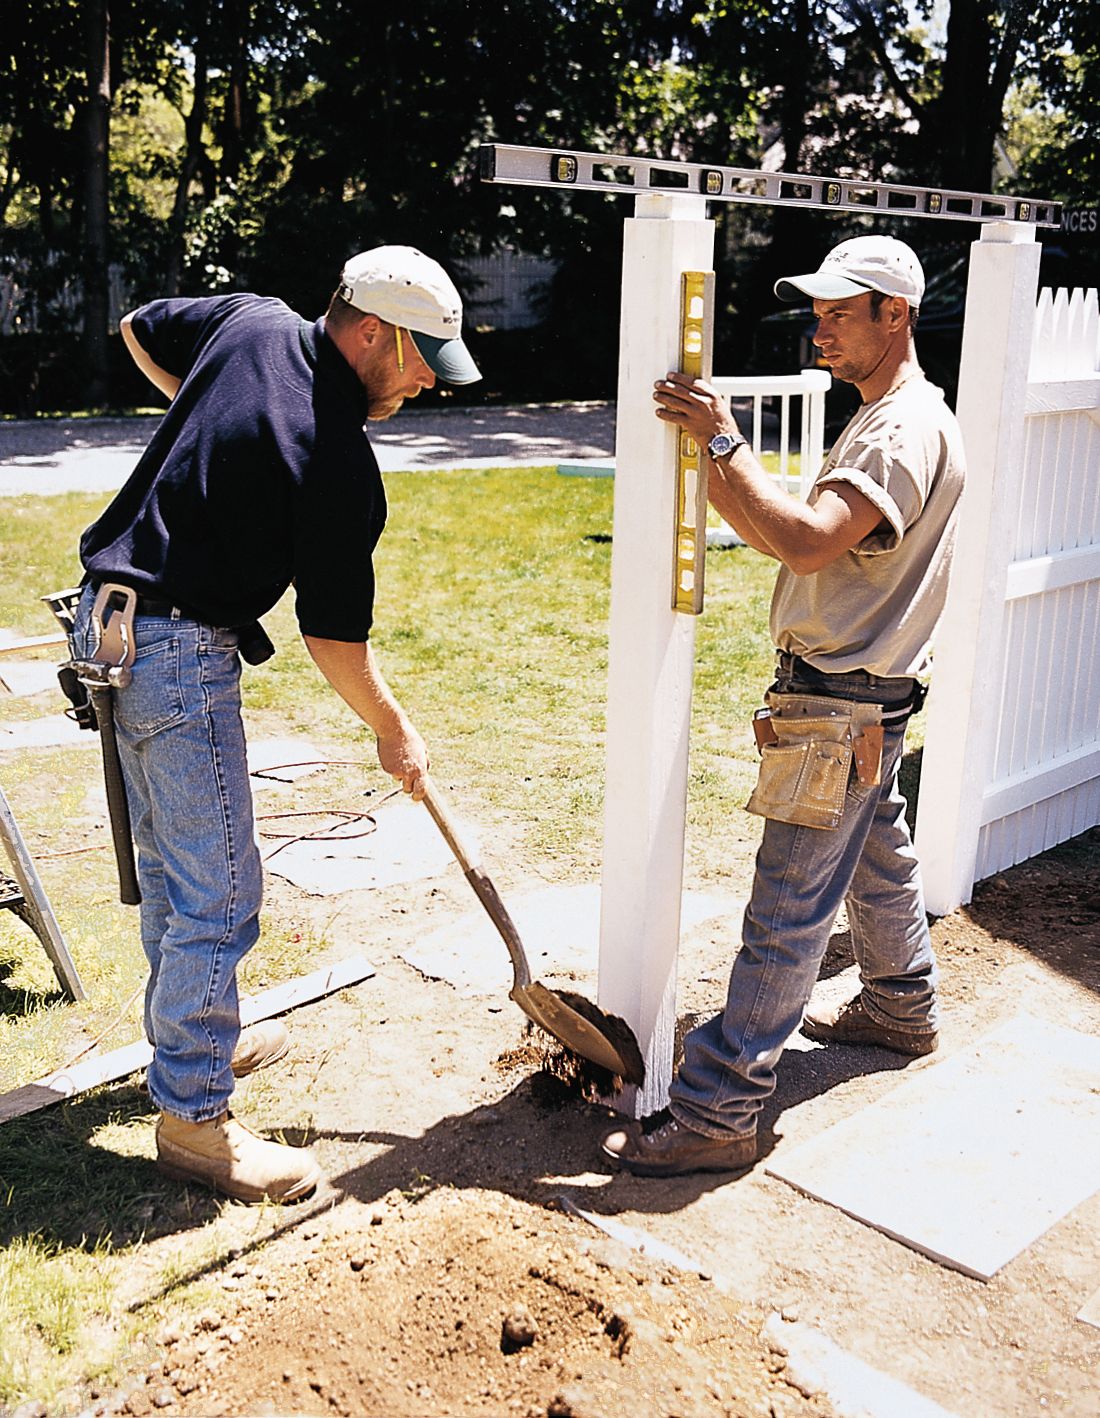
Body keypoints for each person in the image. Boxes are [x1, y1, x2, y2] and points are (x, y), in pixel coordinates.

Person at [72, 246, 481, 1202]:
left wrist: (216, 429)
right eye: (423, 358)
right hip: (174, 647)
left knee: (177, 869)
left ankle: (191, 1042)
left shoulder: (249, 323)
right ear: (372, 330)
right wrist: (396, 730)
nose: (427, 382)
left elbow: (139, 327)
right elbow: (334, 640)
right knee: (219, 890)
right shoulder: (337, 457)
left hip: (109, 620)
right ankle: (194, 1121)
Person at [602, 235, 965, 1178]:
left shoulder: (901, 429)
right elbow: (784, 533)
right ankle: (900, 1005)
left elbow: (805, 542)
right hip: (867, 699)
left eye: (840, 312)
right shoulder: (890, 412)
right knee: (876, 857)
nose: (820, 329)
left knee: (786, 908)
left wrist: (724, 441)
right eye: (817, 311)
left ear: (898, 315)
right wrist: (716, 460)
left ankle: (721, 1108)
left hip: (842, 700)